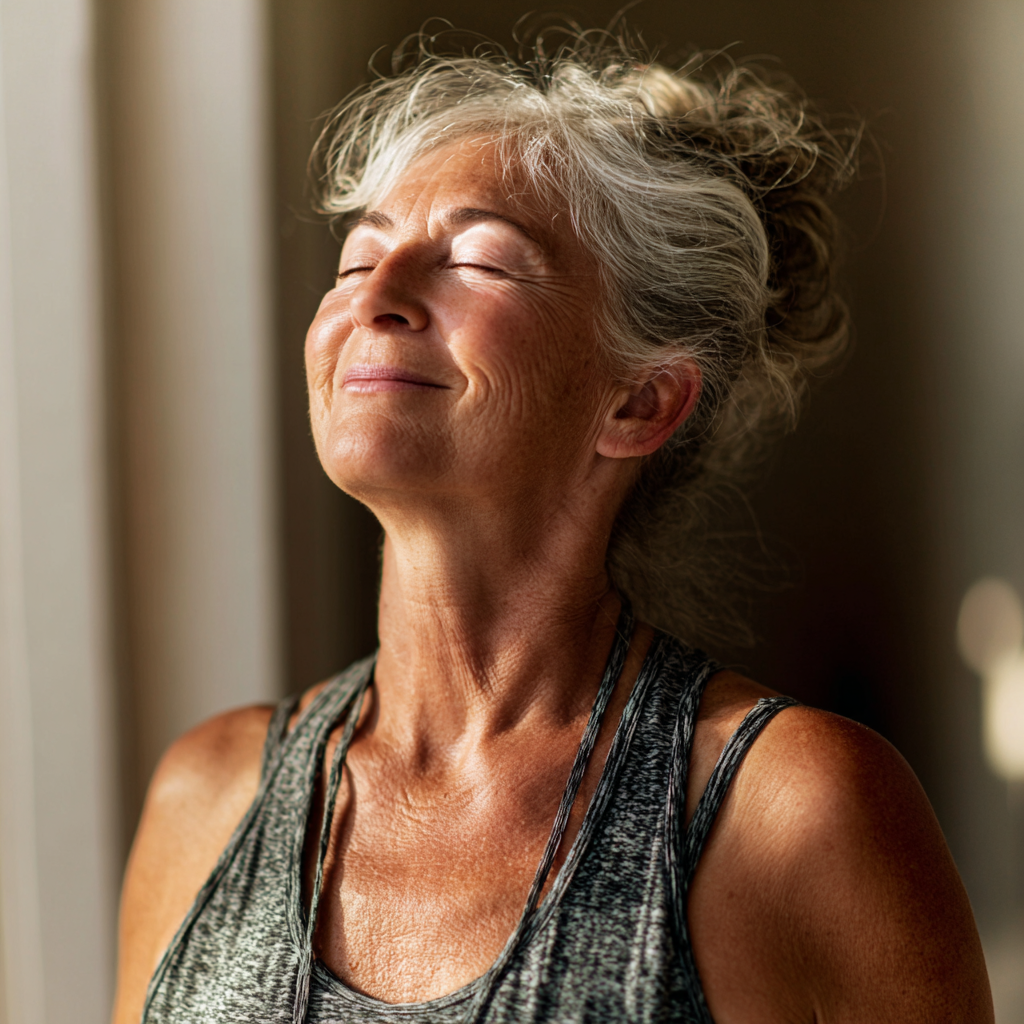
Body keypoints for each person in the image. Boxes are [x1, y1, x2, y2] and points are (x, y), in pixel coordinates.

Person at [111, 32, 994, 1024]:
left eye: (478, 261)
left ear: (640, 402)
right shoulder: (210, 797)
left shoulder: (793, 808)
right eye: (358, 256)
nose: (377, 296)